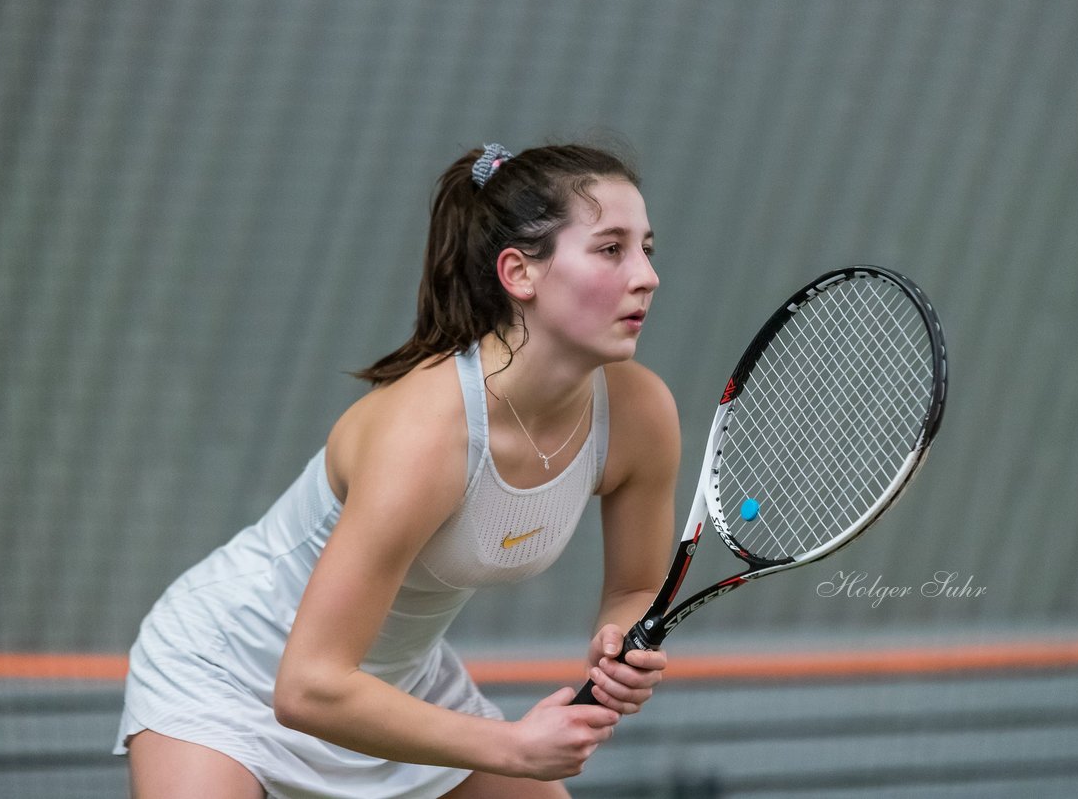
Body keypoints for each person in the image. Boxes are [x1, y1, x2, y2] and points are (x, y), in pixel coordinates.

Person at [114, 142, 681, 798]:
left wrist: (622, 639)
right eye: (611, 249)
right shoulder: (427, 434)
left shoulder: (640, 416)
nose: (646, 275)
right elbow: (307, 686)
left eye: (647, 248)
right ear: (519, 274)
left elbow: (635, 587)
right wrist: (514, 746)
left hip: (398, 686)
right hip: (234, 675)